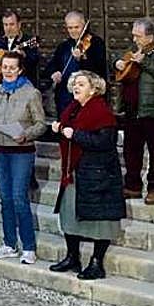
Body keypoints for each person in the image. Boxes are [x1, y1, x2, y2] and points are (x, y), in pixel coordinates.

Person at [49, 71, 124, 281]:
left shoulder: (102, 112)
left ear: (93, 89)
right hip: (74, 173)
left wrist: (76, 134)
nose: (76, 87)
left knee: (101, 222)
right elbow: (68, 134)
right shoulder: (72, 109)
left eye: (81, 84)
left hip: (97, 175)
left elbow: (105, 142)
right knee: (69, 215)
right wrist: (59, 129)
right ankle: (72, 257)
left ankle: (96, 263)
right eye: (74, 83)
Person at [0, 50, 47, 264]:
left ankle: (29, 246)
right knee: (5, 199)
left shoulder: (31, 93)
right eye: (5, 67)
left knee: (20, 198)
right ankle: (9, 243)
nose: (8, 71)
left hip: (21, 151)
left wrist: (26, 134)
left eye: (13, 68)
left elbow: (41, 124)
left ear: (20, 69)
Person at [115, 17, 154, 205]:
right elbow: (119, 58)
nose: (134, 39)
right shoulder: (135, 49)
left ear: (150, 36)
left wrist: (145, 63)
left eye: (138, 36)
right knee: (131, 151)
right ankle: (132, 186)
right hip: (133, 109)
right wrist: (117, 63)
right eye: (134, 35)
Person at [43, 11, 108, 116]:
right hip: (65, 97)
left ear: (84, 26)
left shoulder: (96, 43)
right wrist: (54, 73)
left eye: (76, 27)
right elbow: (51, 66)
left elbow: (99, 69)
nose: (73, 31)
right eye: (70, 28)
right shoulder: (64, 46)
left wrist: (82, 59)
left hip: (88, 97)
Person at [0, 9, 40, 85]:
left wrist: (24, 55)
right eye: (6, 25)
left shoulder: (27, 41)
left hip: (21, 84)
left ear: (19, 25)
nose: (8, 28)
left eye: (12, 24)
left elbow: (35, 60)